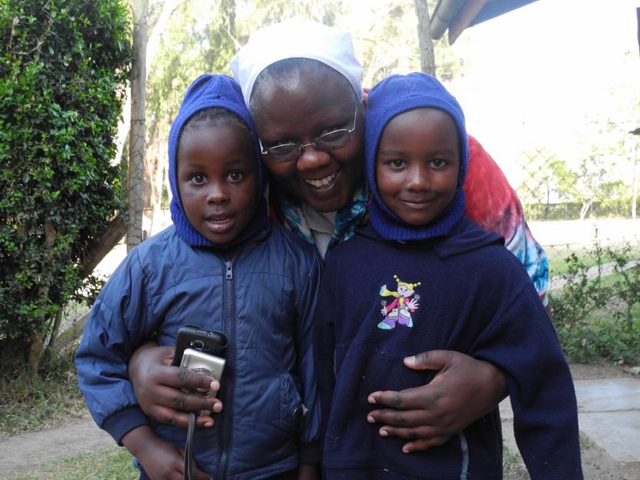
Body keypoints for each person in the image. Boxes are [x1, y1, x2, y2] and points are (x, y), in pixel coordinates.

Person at [127, 18, 549, 454]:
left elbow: (527, 295)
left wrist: (492, 377)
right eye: (283, 144)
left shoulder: (444, 164)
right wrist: (141, 359)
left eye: (333, 132)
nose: (310, 160)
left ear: (362, 108)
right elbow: (183, 280)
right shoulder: (247, 187)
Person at [314, 72, 582, 480]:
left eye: (438, 162)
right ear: (371, 164)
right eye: (397, 163)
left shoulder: (491, 269)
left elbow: (545, 384)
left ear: (461, 165)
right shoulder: (345, 262)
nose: (418, 181)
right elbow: (322, 373)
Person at [75, 74, 322, 480]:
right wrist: (144, 444)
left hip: (273, 468)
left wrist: (309, 463)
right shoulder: (150, 265)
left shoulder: (296, 261)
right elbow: (98, 357)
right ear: (176, 179)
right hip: (180, 467)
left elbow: (314, 369)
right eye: (198, 178)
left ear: (259, 176)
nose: (217, 193)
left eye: (235, 175)